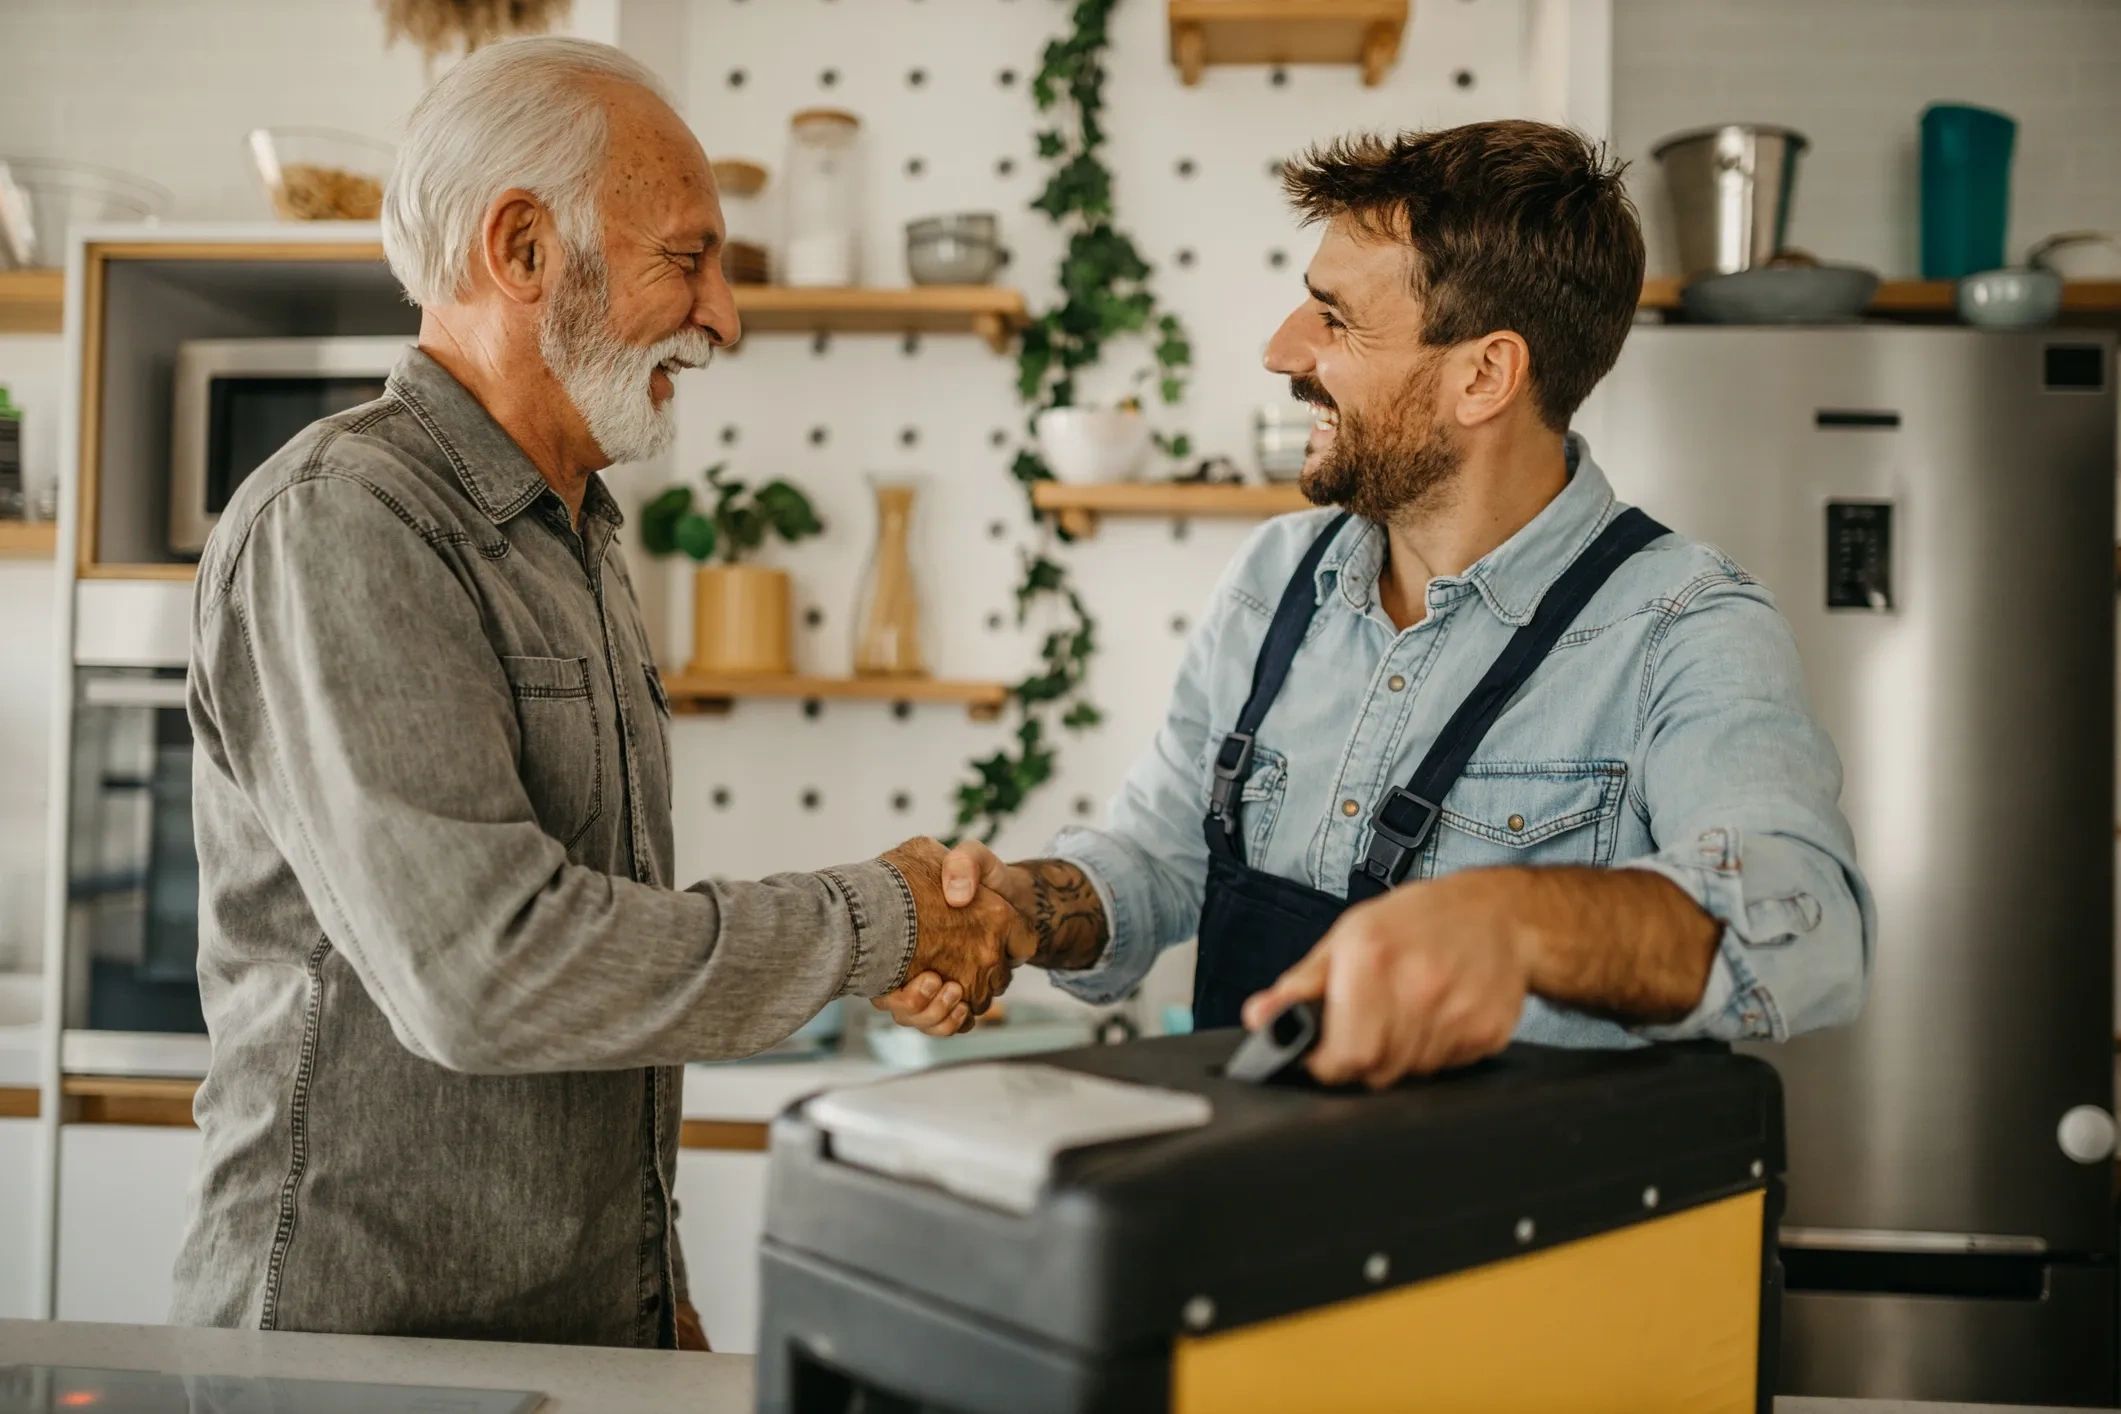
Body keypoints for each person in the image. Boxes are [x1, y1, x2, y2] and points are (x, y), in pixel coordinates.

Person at [172, 38, 1026, 1349]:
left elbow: (599, 984)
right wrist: (882, 919)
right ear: (521, 250)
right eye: (686, 259)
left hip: (576, 1343)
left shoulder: (579, 537)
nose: (725, 317)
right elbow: (492, 970)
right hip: (361, 1364)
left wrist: (653, 1293)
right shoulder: (344, 521)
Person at [877, 120, 1872, 1089]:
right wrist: (1024, 909)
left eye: (1335, 319)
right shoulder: (1276, 576)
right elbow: (1161, 855)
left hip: (1526, 1246)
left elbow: (1804, 923)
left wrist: (1507, 922)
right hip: (1267, 1221)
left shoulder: (1686, 627)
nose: (1281, 351)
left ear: (1483, 375)